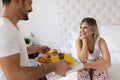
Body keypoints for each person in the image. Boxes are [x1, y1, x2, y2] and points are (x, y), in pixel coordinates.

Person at [0, 0, 71, 80]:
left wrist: (37, 49)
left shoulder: (13, 25)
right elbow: (14, 75)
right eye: (29, 3)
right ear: (17, 1)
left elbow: (16, 51)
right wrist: (54, 66)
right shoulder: (4, 28)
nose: (31, 9)